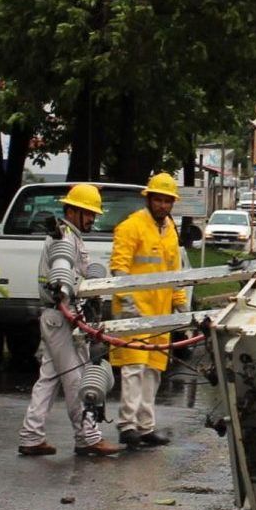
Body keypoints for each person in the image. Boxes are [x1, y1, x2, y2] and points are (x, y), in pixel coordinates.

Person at [18, 183, 115, 459]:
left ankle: (31, 436)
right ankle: (88, 438)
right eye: (88, 213)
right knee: (75, 379)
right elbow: (63, 279)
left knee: (49, 378)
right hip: (60, 317)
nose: (92, 220)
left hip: (58, 317)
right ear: (71, 210)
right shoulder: (64, 238)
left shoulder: (70, 236)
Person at [110, 172, 187, 449]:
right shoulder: (132, 226)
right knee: (134, 367)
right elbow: (119, 267)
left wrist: (179, 303)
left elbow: (173, 271)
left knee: (153, 369)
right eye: (159, 199)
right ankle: (128, 425)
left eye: (167, 201)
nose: (163, 205)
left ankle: (145, 426)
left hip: (160, 311)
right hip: (134, 311)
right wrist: (128, 302)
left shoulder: (169, 230)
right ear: (149, 198)